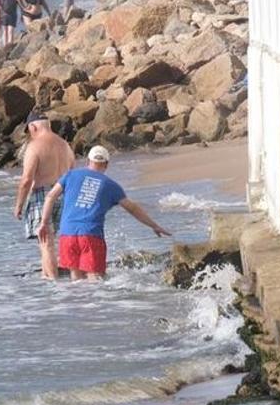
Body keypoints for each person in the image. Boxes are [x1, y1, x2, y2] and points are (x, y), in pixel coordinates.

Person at [39, 146, 172, 281]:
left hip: (67, 233)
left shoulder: (70, 175)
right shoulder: (111, 186)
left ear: (88, 161)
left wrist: (43, 223)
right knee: (95, 278)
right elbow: (132, 208)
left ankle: (76, 302)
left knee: (76, 279)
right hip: (91, 234)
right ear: (106, 164)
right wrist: (154, 225)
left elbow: (50, 196)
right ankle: (100, 302)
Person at [15, 112, 75, 279]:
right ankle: (47, 276)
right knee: (53, 239)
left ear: (33, 127)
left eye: (29, 130)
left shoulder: (34, 147)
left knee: (46, 243)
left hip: (43, 195)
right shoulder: (65, 145)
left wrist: (19, 205)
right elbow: (72, 173)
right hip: (63, 194)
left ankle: (52, 286)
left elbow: (27, 180)